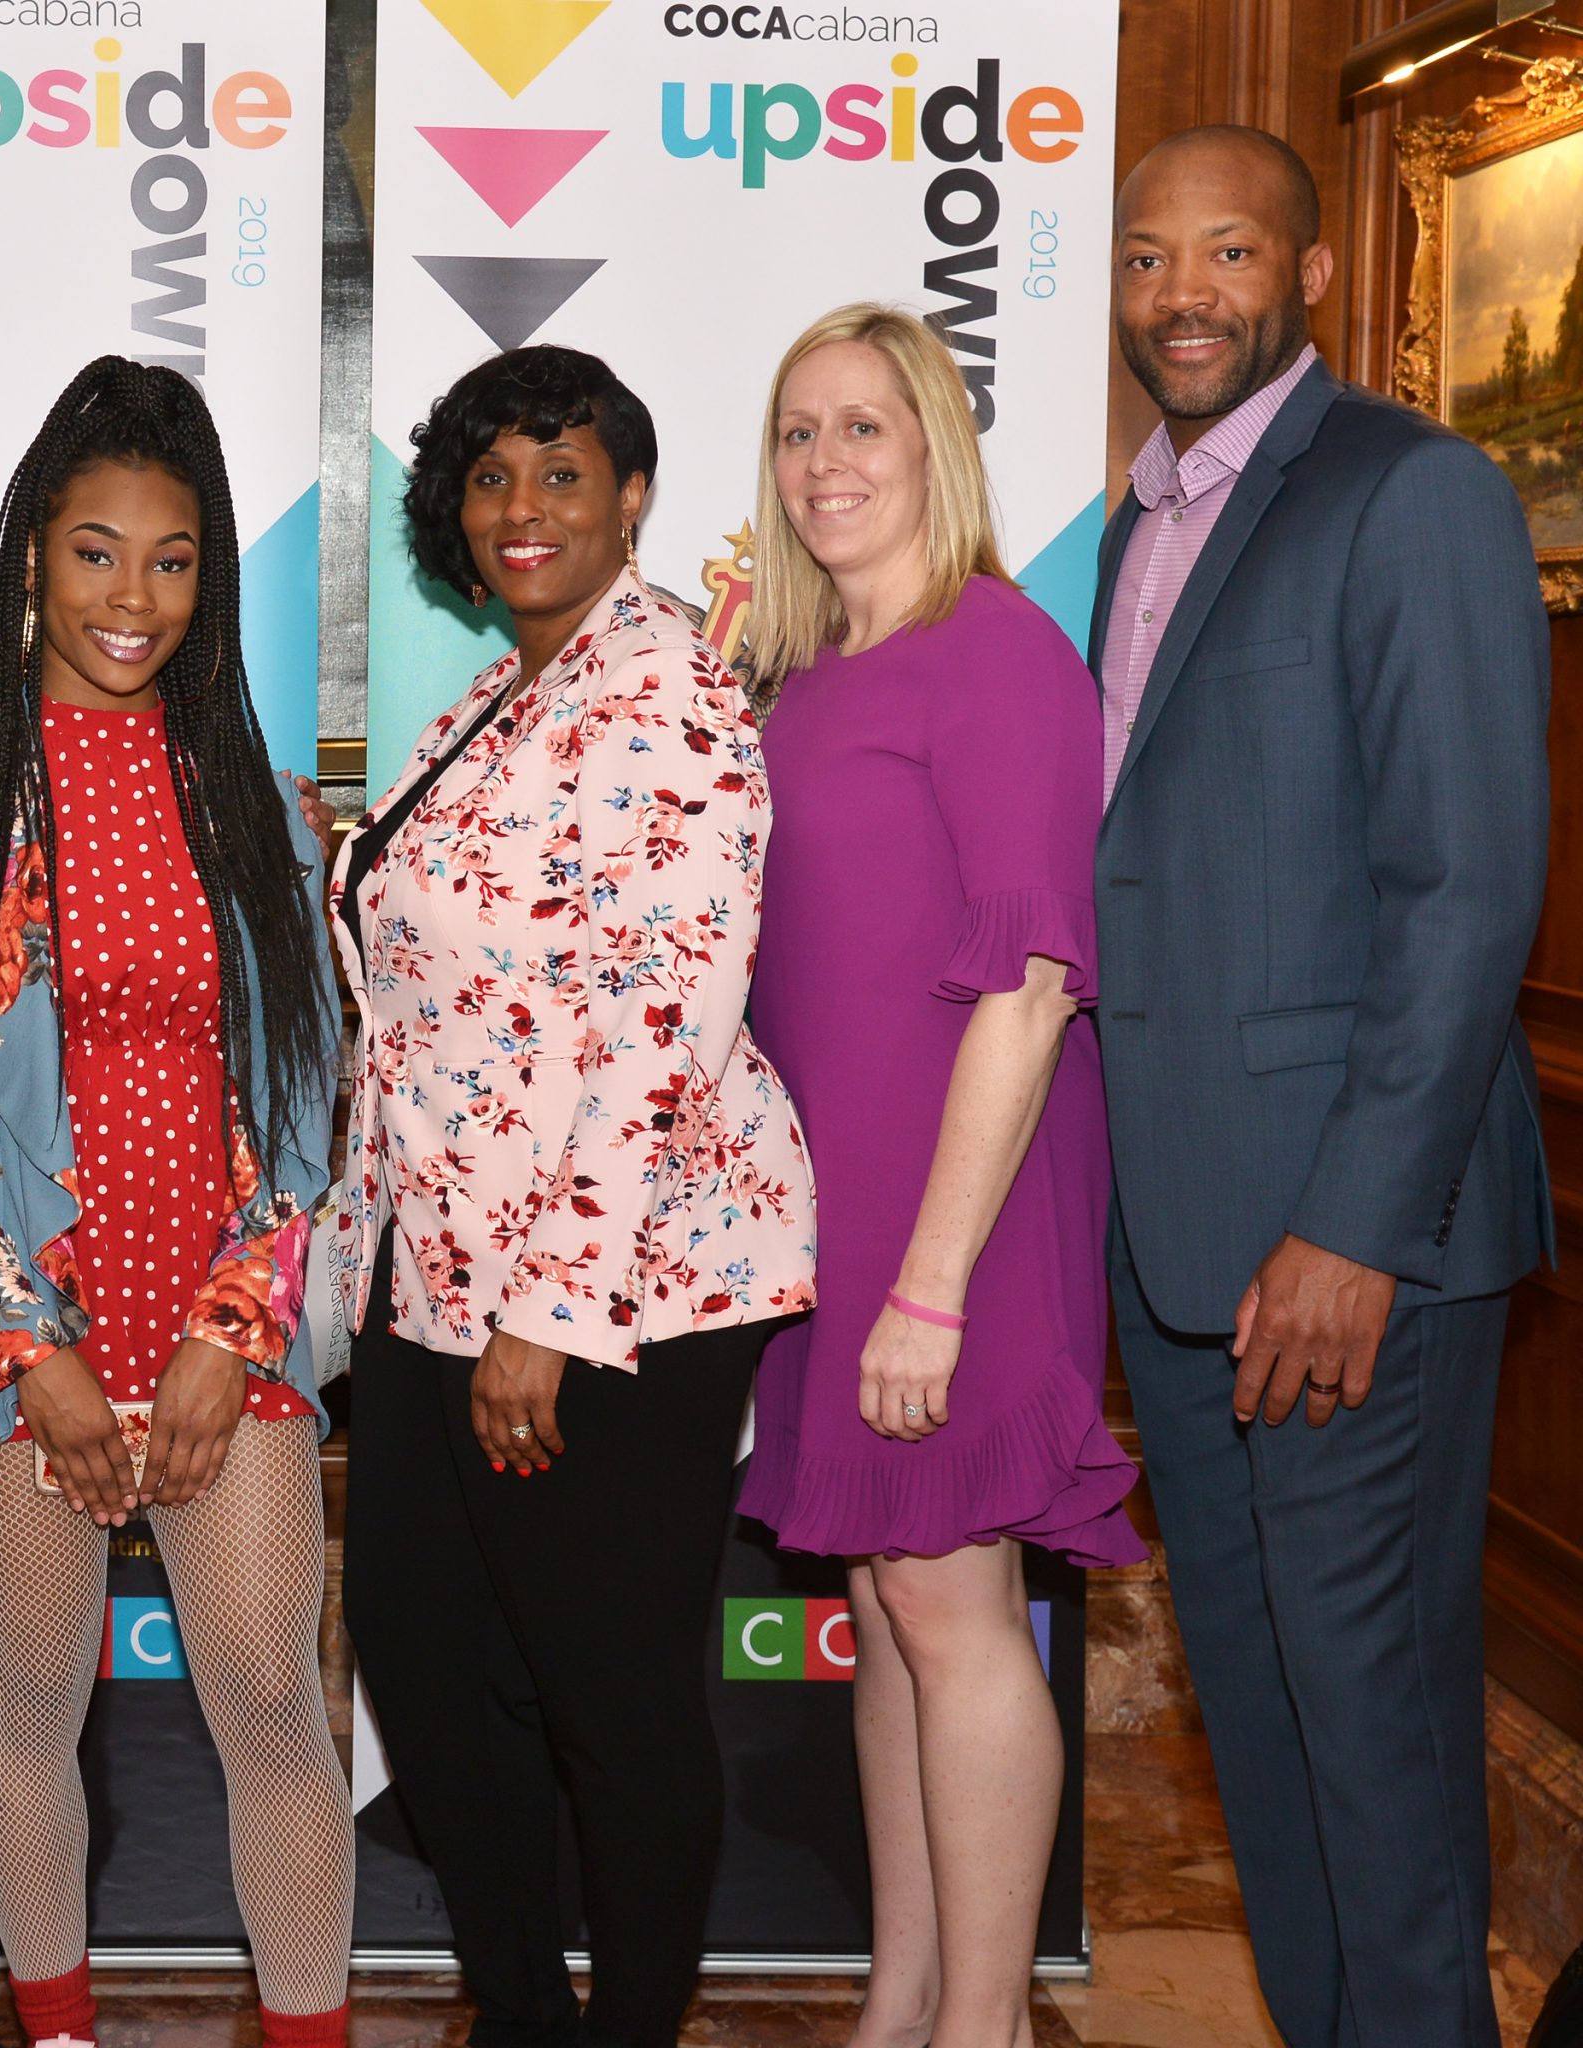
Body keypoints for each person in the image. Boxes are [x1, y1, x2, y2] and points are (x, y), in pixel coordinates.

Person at [1098, 125, 1550, 2048]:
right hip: (1182, 1248)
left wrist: (1354, 1232)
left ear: (1311, 275)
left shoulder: (1412, 491)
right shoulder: (1140, 521)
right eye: (1147, 257)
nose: (1183, 293)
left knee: (1378, 1751)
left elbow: (1468, 890)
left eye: (1228, 253)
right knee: (1269, 1739)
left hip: (1348, 1258)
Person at [0, 357, 353, 2048]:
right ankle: (58, 2035)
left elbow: (304, 1094)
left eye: (173, 558)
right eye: (95, 551)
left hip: (220, 1327)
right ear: (29, 559)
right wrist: (32, 1347)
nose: (133, 595)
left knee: (272, 1700)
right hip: (22, 1335)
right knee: (34, 1700)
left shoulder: (254, 804)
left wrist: (229, 1327)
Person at [333, 344, 815, 2048]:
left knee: (611, 1695)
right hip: (431, 1277)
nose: (522, 507)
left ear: (633, 498)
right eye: (490, 477)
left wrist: (548, 1315)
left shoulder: (668, 689)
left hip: (627, 1290)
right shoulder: (492, 697)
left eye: (562, 471)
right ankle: (525, 2010)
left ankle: (633, 2025)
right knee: (421, 1653)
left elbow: (663, 1019)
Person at [734, 304, 1143, 2048]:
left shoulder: (997, 652)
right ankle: (900, 2005)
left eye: (863, 427)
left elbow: (1034, 985)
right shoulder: (802, 675)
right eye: (799, 431)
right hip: (833, 1215)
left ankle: (981, 2027)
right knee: (889, 1601)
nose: (826, 463)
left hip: (956, 1218)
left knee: (954, 1606)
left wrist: (932, 1281)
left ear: (934, 450)